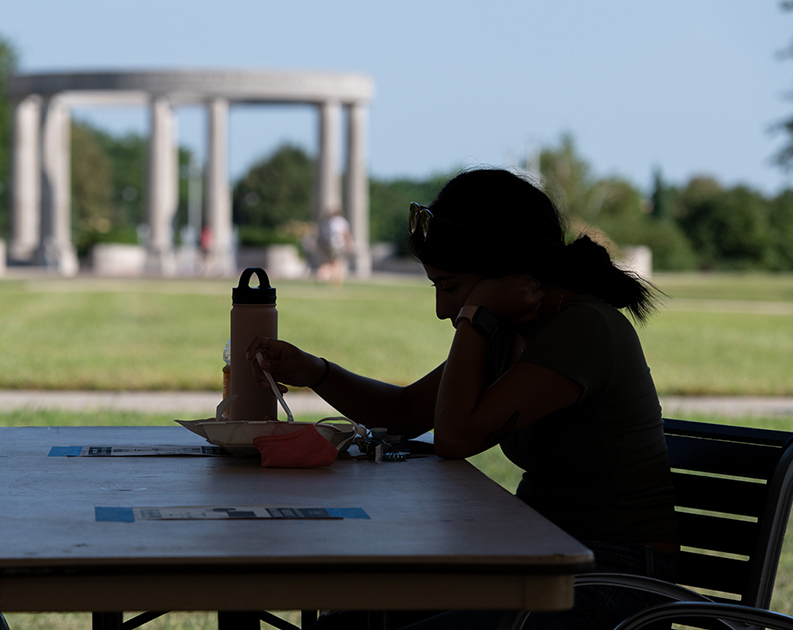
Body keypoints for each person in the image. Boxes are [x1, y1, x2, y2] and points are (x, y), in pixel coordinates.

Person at [248, 168, 678, 630]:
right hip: (546, 556)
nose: (443, 310)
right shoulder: (512, 331)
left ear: (507, 271)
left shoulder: (583, 328)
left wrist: (476, 317)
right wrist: (316, 371)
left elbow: (454, 436)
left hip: (615, 579)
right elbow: (408, 412)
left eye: (450, 287)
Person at [316, 209, 353, 285]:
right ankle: (336, 280)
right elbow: (345, 234)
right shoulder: (342, 221)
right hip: (338, 245)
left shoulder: (327, 222)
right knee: (338, 262)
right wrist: (349, 245)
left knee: (328, 261)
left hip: (328, 245)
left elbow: (321, 236)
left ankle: (322, 276)